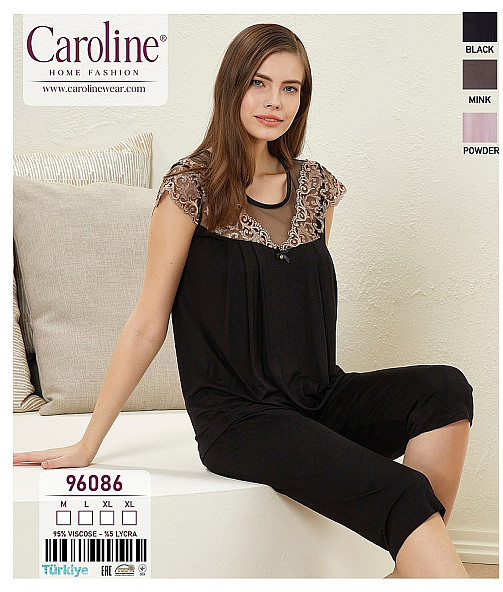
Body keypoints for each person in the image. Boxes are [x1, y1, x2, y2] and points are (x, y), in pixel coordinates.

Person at [13, 23, 474, 578]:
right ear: (231, 86)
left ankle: (412, 568)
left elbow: (296, 309)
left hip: (317, 399)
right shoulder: (190, 190)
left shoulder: (315, 188)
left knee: (446, 389)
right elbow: (146, 323)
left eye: (290, 88)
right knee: (401, 490)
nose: (275, 101)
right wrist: (89, 443)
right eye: (259, 82)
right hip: (240, 420)